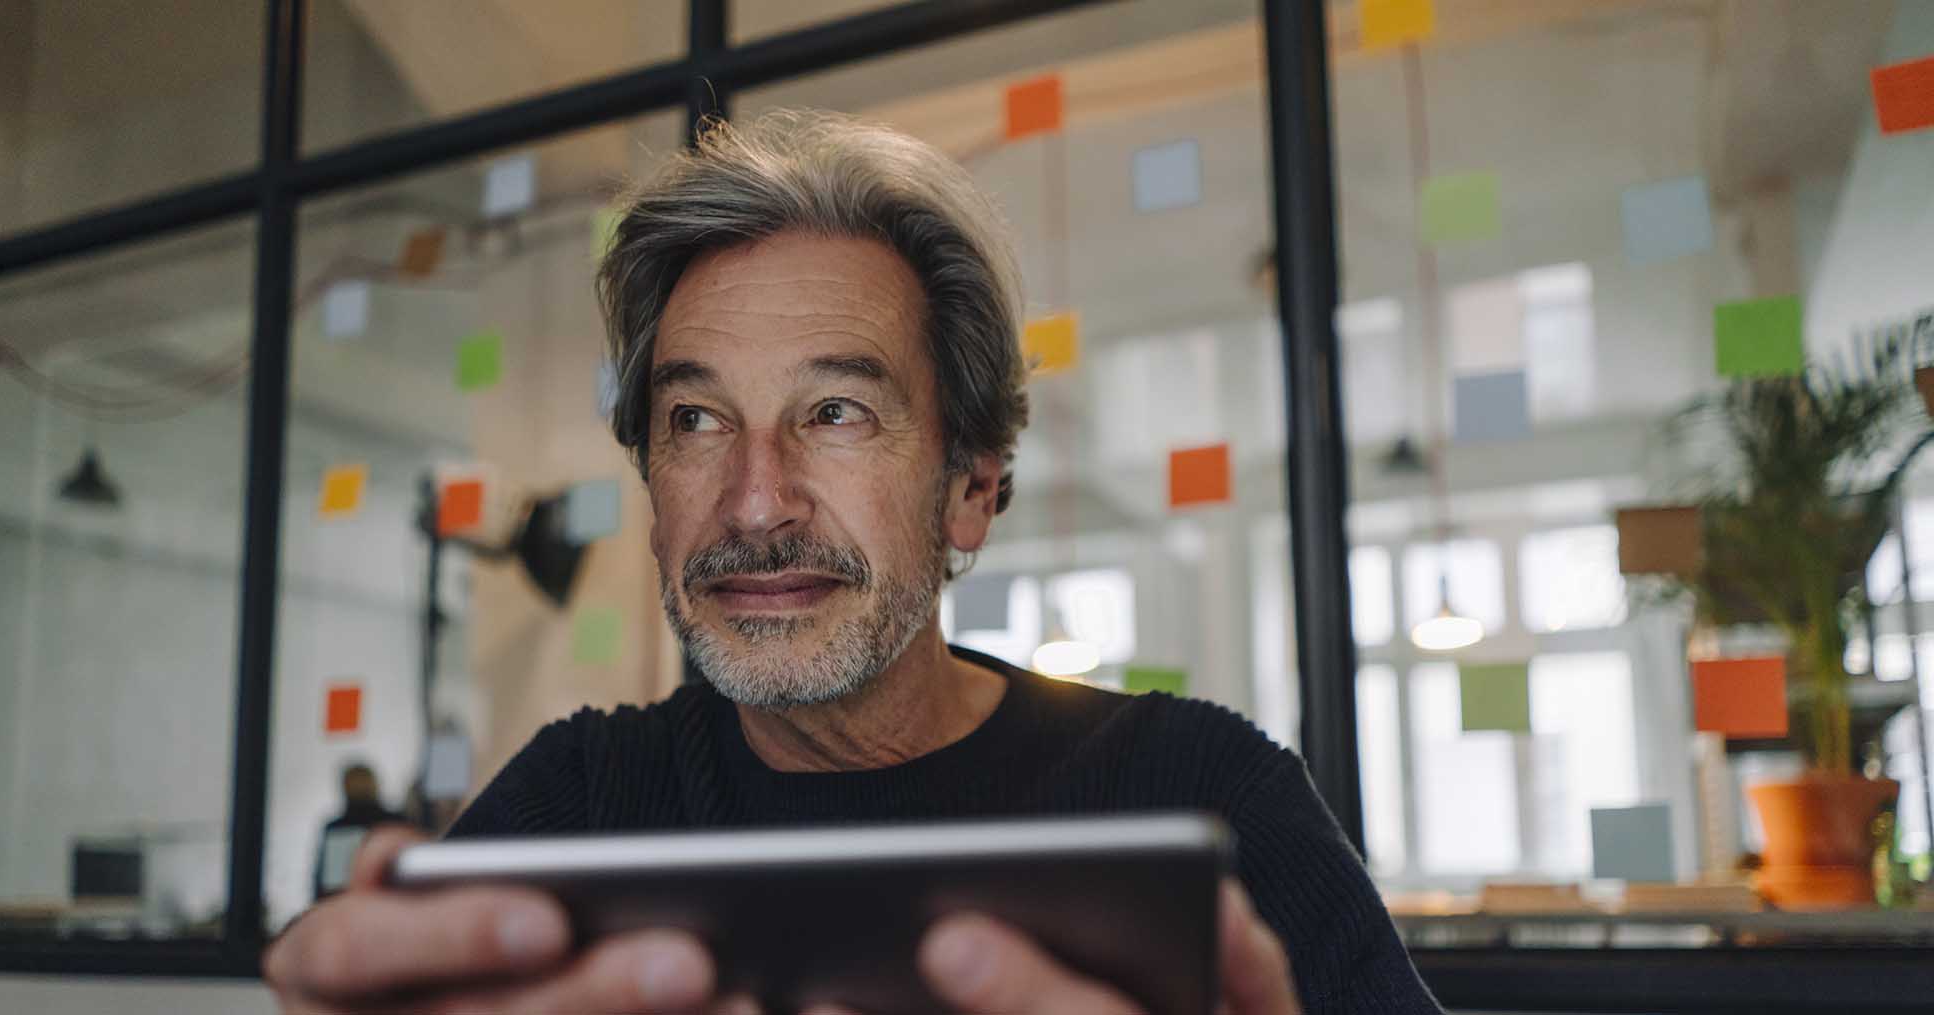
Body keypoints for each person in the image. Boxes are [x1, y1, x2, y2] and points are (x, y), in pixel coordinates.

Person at [266, 110, 1441, 1014]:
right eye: (694, 420)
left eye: (834, 412)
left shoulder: (1202, 790)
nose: (754, 500)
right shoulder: (582, 798)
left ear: (969, 488)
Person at [310, 762, 407, 902]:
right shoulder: (395, 822)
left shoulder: (337, 828)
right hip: (389, 903)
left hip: (347, 905)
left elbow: (325, 887)